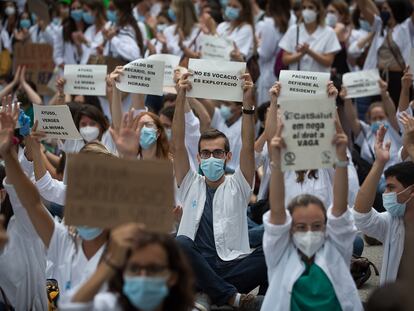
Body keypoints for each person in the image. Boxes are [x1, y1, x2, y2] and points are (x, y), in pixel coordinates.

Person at [173, 72, 267, 309]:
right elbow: (177, 142)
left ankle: (208, 295)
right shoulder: (189, 182)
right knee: (181, 242)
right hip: (195, 266)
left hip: (231, 267)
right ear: (198, 157)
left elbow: (247, 145)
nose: (211, 158)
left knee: (270, 250)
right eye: (205, 153)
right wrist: (180, 96)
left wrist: (247, 103)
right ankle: (231, 299)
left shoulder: (238, 183)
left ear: (227, 157)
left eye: (217, 153)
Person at [261, 97, 363, 310]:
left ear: (327, 226)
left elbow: (340, 208)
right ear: (288, 229)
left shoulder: (336, 248)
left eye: (317, 226)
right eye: (301, 227)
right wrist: (278, 159)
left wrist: (342, 156)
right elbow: (277, 210)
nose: (309, 232)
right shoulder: (280, 252)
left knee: (356, 243)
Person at [59, 226, 195, 311]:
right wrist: (110, 262)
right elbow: (70, 306)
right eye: (134, 269)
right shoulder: (110, 305)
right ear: (122, 273)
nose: (143, 277)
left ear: (172, 277)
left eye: (154, 269)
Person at [353, 125, 414, 284]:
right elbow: (361, 217)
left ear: (411, 191)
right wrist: (379, 164)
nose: (385, 193)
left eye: (391, 187)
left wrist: (411, 147)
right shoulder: (392, 221)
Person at [357, 0, 413, 105]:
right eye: (382, 9)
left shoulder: (406, 27)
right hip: (379, 78)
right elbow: (363, 7)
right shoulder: (379, 25)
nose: (382, 11)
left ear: (395, 10)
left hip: (398, 78)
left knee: (398, 113)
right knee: (378, 109)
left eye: (386, 9)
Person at [342, 80, 402, 170]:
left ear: (387, 117)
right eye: (374, 118)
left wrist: (384, 94)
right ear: (369, 121)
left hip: (397, 176)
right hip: (375, 180)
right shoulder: (366, 132)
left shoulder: (393, 128)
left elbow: (392, 112)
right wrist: (347, 99)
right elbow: (352, 119)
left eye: (381, 117)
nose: (378, 121)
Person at [279, 0, 341, 73]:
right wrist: (301, 54)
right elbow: (285, 60)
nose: (306, 11)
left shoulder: (329, 32)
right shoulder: (293, 30)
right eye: (304, 8)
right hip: (297, 81)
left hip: (318, 81)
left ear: (318, 10)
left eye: (310, 7)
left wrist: (309, 51)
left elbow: (328, 62)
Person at [255, 0, 292, 105]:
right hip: (284, 73)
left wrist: (257, 44)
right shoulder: (292, 19)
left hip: (268, 73)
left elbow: (265, 54)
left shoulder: (269, 23)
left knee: (266, 112)